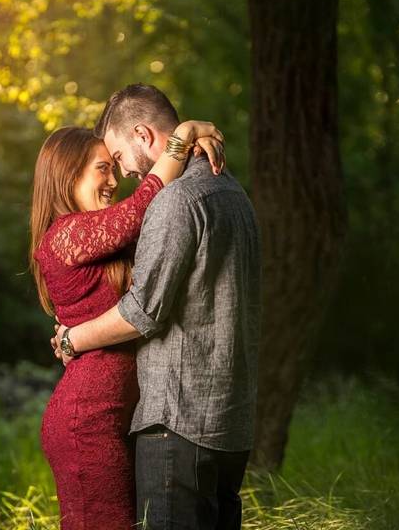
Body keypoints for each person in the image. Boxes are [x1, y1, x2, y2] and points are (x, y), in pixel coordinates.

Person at [51, 83, 262, 530]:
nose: (124, 173)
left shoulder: (177, 200)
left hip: (178, 419)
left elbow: (144, 310)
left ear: (144, 136)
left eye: (119, 157)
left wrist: (72, 337)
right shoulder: (233, 192)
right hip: (230, 419)